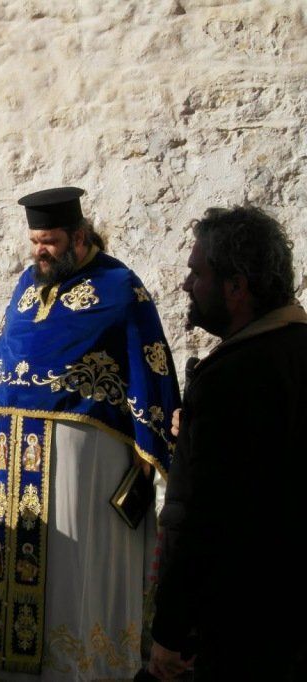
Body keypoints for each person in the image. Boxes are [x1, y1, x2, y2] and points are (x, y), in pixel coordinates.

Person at [0, 187, 181, 680]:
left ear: (79, 236)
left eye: (49, 240)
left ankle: (78, 663)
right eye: (35, 241)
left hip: (84, 462)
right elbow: (6, 355)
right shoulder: (27, 284)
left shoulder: (121, 287)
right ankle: (2, 661)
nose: (39, 250)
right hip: (12, 452)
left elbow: (150, 367)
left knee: (70, 569)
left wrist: (147, 461)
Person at [149, 206, 307, 680]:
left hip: (243, 616)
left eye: (198, 273)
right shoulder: (293, 350)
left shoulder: (234, 377)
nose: (186, 286)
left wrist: (171, 631)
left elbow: (205, 516)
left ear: (236, 288)